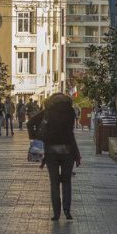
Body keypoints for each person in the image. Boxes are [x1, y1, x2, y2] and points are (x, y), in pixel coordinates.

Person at [41, 93, 82, 222]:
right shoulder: (70, 113)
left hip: (51, 151)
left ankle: (56, 213)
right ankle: (67, 210)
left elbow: (34, 125)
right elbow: (71, 134)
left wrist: (40, 149)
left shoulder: (47, 113)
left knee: (54, 183)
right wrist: (77, 155)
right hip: (68, 151)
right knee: (66, 182)